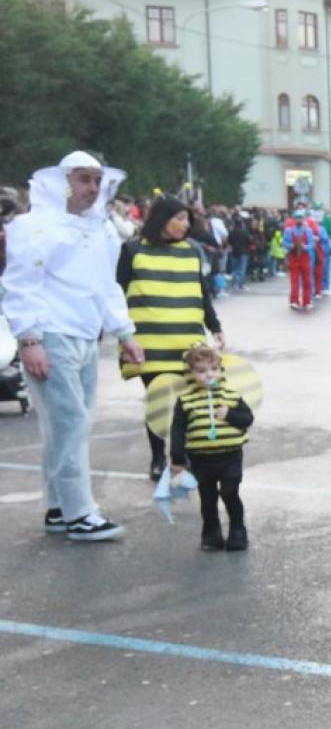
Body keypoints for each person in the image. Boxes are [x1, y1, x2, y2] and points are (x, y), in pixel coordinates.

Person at [2, 151, 144, 542]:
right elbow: (19, 285)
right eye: (84, 179)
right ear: (63, 182)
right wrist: (29, 339)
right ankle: (81, 513)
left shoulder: (100, 229)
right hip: (51, 335)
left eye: (97, 181)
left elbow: (107, 286)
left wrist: (125, 332)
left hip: (84, 335)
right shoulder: (34, 227)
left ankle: (59, 508)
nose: (93, 188)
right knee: (70, 424)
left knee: (66, 426)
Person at [117, 195, 224, 481]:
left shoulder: (192, 251)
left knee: (185, 402)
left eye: (187, 219)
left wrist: (215, 327)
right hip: (149, 342)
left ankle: (180, 456)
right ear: (161, 220)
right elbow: (116, 294)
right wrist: (121, 333)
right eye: (179, 218)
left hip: (187, 341)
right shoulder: (132, 249)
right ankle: (157, 457)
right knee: (158, 401)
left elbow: (203, 292)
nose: (185, 224)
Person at [166, 341, 254, 551]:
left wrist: (230, 414)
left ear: (220, 370)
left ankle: (237, 529)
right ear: (190, 374)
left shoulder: (231, 396)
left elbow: (247, 419)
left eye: (213, 369)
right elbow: (178, 430)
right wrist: (178, 459)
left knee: (230, 492)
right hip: (201, 459)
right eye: (201, 371)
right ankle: (211, 533)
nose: (209, 375)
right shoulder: (186, 401)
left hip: (230, 456)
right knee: (208, 498)